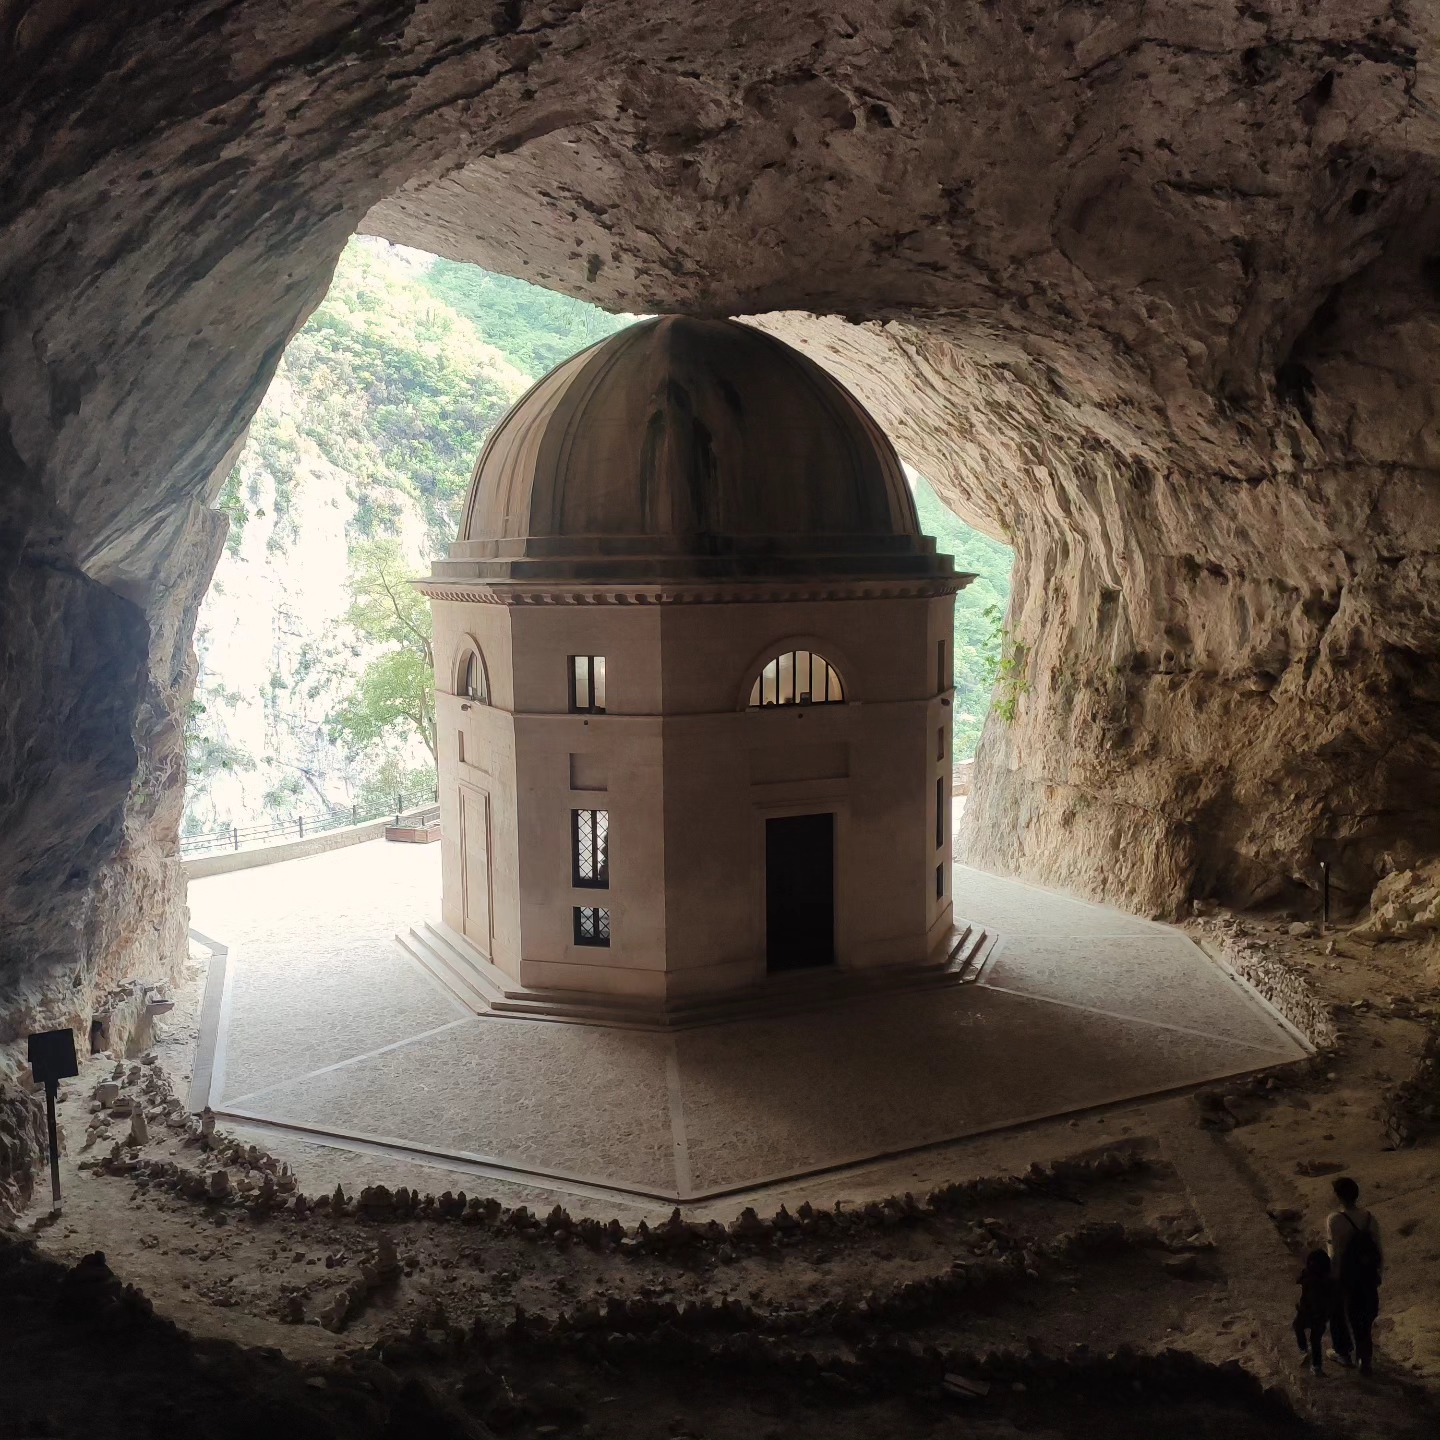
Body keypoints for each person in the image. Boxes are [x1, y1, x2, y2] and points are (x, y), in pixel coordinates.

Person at [1326, 1175, 1383, 1375]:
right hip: (1367, 1274)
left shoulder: (1335, 1219)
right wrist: (1378, 1273)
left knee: (1340, 1313)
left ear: (1338, 1196)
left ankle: (1343, 1353)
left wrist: (1334, 1277)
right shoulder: (1369, 1217)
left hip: (1347, 1276)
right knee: (1365, 1316)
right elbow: (1378, 1247)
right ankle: (1364, 1358)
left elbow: (1335, 1253)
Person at [1293, 1249, 1338, 1375]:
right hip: (1319, 1316)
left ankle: (1304, 1351)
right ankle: (1316, 1365)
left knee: (1301, 1329)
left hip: (1309, 1313)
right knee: (1315, 1340)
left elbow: (1300, 1282)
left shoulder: (1309, 1276)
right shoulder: (1328, 1281)